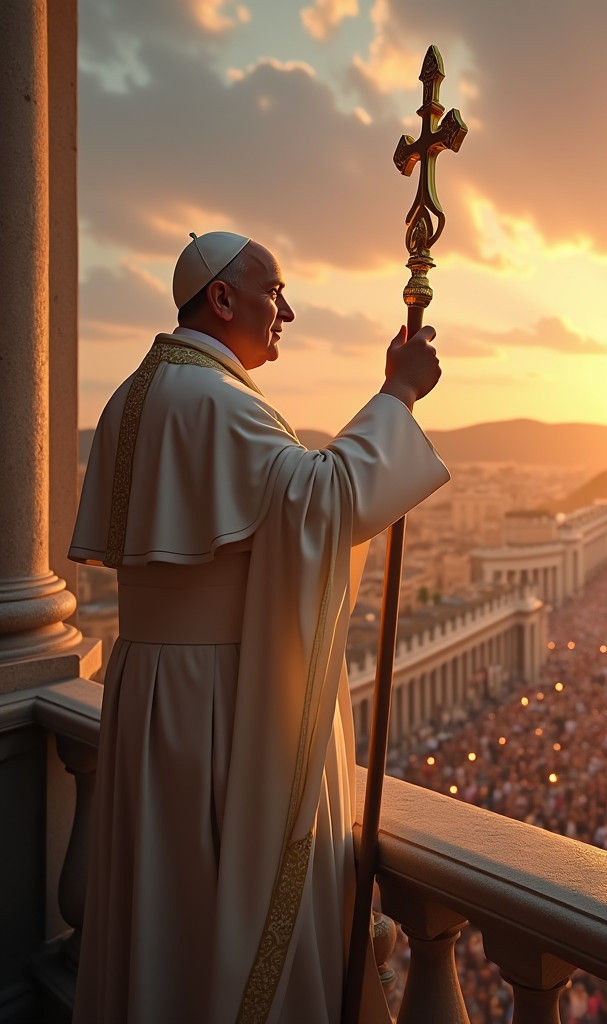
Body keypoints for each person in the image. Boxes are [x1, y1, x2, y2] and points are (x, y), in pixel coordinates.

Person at [69, 231, 450, 1023]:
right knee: (214, 903)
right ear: (221, 298)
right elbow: (323, 500)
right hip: (211, 698)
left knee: (161, 902)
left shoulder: (132, 395)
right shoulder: (212, 398)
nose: (289, 311)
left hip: (146, 689)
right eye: (274, 292)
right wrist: (399, 395)